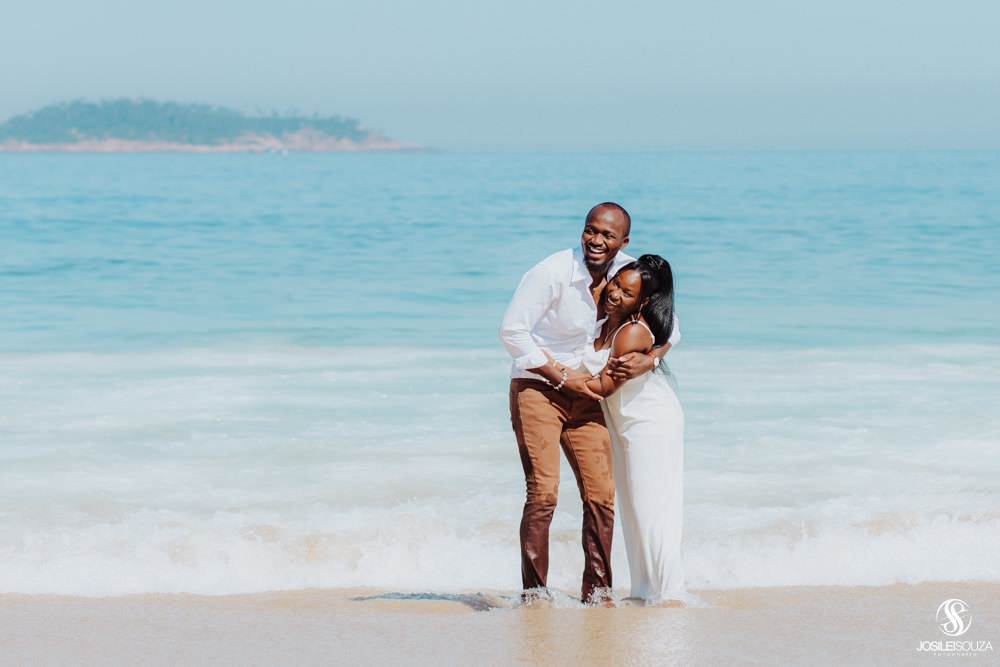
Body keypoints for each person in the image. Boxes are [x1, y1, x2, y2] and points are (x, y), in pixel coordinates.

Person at [498, 203, 678, 604]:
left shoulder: (627, 271)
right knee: (543, 493)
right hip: (538, 388)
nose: (596, 241)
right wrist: (560, 376)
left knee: (601, 494)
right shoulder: (550, 273)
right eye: (590, 231)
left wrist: (652, 357)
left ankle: (597, 594)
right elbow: (512, 332)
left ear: (623, 241)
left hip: (589, 394)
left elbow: (669, 323)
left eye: (607, 235)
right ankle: (535, 595)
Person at [577, 254, 687, 605]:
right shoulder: (607, 320)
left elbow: (603, 388)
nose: (615, 294)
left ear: (642, 302)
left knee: (653, 507)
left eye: (627, 293)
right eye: (616, 284)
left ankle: (669, 595)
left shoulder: (632, 332)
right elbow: (674, 328)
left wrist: (550, 373)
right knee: (633, 507)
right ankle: (644, 592)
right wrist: (659, 353)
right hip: (625, 424)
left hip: (650, 424)